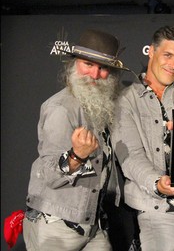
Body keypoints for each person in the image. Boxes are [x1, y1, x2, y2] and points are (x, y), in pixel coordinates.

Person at [23, 29, 132, 251]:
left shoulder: (101, 107)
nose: (94, 74)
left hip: (92, 223)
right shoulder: (60, 109)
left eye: (102, 68)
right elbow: (50, 174)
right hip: (55, 223)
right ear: (74, 65)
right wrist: (76, 156)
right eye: (88, 64)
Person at [111, 25, 174, 250]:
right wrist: (157, 183)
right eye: (168, 55)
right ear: (151, 51)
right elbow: (130, 156)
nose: (173, 65)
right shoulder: (125, 101)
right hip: (157, 212)